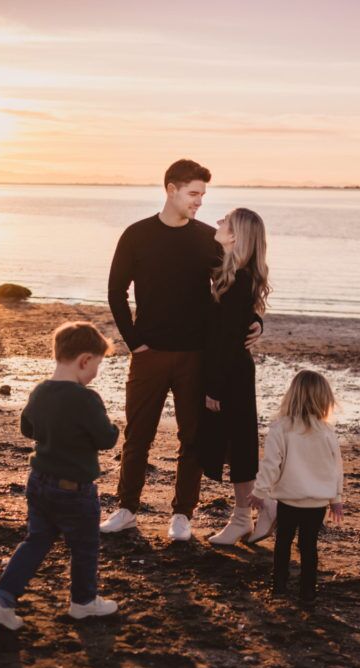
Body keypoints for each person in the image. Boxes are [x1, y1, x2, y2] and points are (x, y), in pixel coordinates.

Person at [101, 159, 261, 541]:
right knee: (138, 435)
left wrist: (256, 321)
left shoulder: (209, 238)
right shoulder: (136, 235)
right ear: (170, 189)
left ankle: (182, 515)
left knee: (193, 437)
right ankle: (126, 509)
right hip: (149, 353)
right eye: (193, 193)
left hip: (196, 356)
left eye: (203, 195)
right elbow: (115, 291)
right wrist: (133, 341)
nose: (199, 202)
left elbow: (234, 288)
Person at [0, 322, 120, 630]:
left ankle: (2, 599)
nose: (95, 373)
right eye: (96, 365)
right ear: (84, 360)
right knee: (84, 546)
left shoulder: (40, 391)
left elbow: (27, 429)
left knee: (36, 540)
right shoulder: (86, 399)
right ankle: (83, 602)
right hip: (75, 490)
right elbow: (105, 439)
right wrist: (115, 428)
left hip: (39, 481)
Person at [199, 208, 277, 545]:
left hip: (231, 373)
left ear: (235, 236)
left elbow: (228, 339)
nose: (217, 223)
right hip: (230, 369)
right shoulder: (231, 273)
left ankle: (250, 514)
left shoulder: (239, 279)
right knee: (237, 445)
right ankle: (248, 515)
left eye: (224, 222)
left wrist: (214, 386)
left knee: (239, 446)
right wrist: (257, 321)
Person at [249, 370, 344, 604]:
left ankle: (279, 586)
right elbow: (336, 468)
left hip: (289, 500)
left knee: (283, 542)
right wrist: (336, 499)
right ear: (325, 399)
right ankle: (308, 591)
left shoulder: (281, 428)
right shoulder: (327, 432)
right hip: (317, 503)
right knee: (309, 546)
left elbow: (271, 464)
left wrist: (259, 491)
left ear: (292, 395)